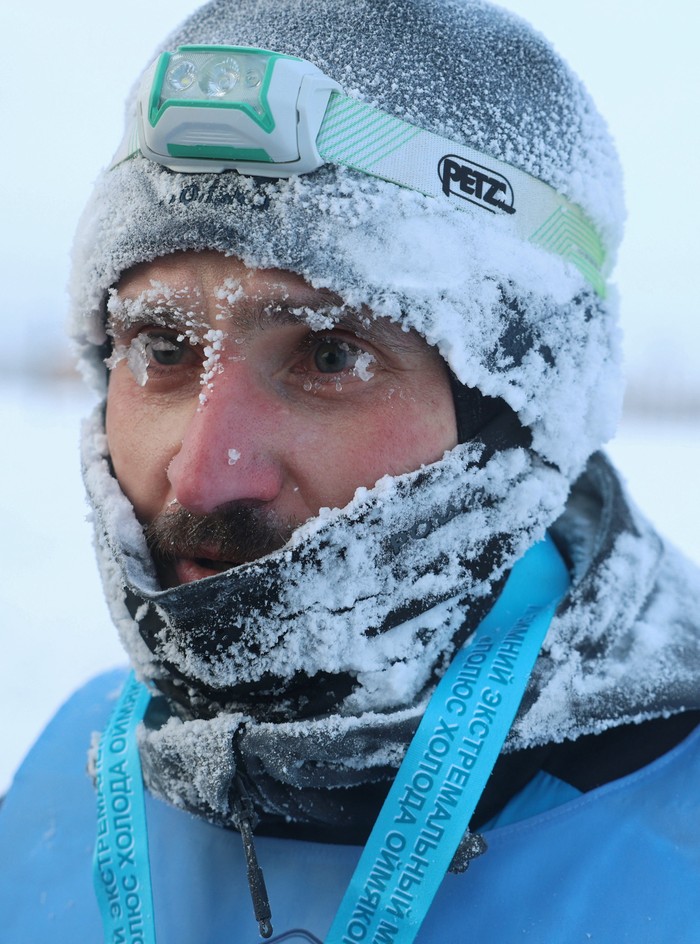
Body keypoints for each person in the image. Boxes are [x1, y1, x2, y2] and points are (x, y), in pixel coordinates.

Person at [1, 0, 699, 940]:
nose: (206, 475)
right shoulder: (66, 768)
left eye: (331, 357)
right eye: (162, 349)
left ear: (520, 412)